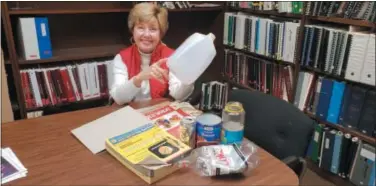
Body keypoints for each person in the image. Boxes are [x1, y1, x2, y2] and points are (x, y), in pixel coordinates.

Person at [110, 3, 194, 105]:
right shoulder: (121, 58)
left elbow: (178, 95)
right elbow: (118, 98)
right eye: (141, 28)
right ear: (133, 30)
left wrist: (189, 78)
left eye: (153, 29)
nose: (146, 34)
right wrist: (139, 78)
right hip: (130, 112)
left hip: (159, 112)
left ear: (160, 33)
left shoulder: (171, 56)